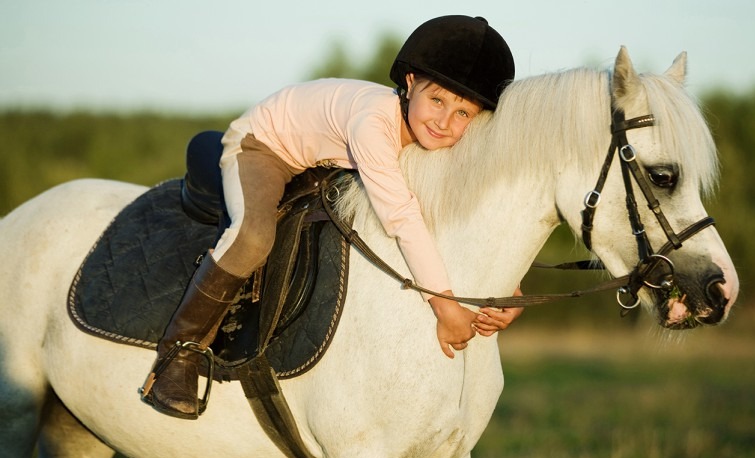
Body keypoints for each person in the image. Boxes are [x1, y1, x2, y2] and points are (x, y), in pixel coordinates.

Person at [140, 15, 523, 420]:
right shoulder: (373, 124)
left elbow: (457, 211)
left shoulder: (431, 135)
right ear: (410, 84)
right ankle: (178, 352)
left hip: (320, 158)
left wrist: (510, 289)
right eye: (438, 100)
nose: (445, 122)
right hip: (265, 146)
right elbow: (404, 218)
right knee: (253, 236)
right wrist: (446, 308)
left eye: (464, 114)